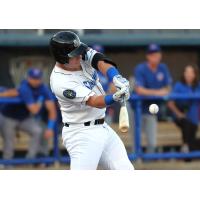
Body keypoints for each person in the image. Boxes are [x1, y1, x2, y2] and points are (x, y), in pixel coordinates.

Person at [49, 31, 134, 170]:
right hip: (81, 133)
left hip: (102, 127)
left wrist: (115, 77)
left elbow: (100, 61)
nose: (79, 56)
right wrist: (114, 97)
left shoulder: (79, 55)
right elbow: (95, 102)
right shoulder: (60, 81)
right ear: (62, 58)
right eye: (74, 54)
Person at [0, 68, 57, 159]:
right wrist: (40, 100)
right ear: (28, 78)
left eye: (37, 78)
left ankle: (30, 160)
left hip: (24, 118)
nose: (35, 81)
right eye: (33, 78)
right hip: (9, 116)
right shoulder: (24, 87)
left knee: (37, 131)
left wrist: (50, 128)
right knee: (9, 140)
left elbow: (52, 110)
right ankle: (7, 164)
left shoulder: (43, 88)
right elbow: (34, 110)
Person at [134, 44, 172, 153]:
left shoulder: (163, 68)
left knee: (152, 142)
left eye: (157, 53)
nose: (155, 56)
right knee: (136, 139)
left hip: (151, 109)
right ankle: (136, 163)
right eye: (152, 54)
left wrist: (157, 92)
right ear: (148, 56)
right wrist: (158, 92)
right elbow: (139, 90)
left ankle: (148, 166)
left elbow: (168, 87)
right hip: (136, 108)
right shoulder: (140, 68)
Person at [168, 65, 200, 152]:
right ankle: (185, 146)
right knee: (186, 123)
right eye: (186, 72)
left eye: (191, 72)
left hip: (194, 119)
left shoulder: (198, 86)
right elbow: (170, 103)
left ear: (195, 74)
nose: (188, 74)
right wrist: (179, 114)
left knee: (192, 143)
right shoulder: (179, 85)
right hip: (181, 117)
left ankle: (187, 149)